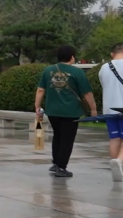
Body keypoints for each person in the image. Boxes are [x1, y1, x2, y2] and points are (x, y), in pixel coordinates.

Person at [35, 45, 96, 178]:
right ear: (72, 57)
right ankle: (62, 167)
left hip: (52, 111)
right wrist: (93, 109)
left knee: (57, 136)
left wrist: (37, 106)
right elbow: (87, 93)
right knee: (67, 140)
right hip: (71, 112)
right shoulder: (77, 72)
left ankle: (56, 163)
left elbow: (40, 90)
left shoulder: (48, 70)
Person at [99, 42, 123, 181]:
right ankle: (118, 161)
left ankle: (117, 170)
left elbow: (104, 85)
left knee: (114, 138)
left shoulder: (104, 68)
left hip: (109, 108)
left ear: (112, 54)